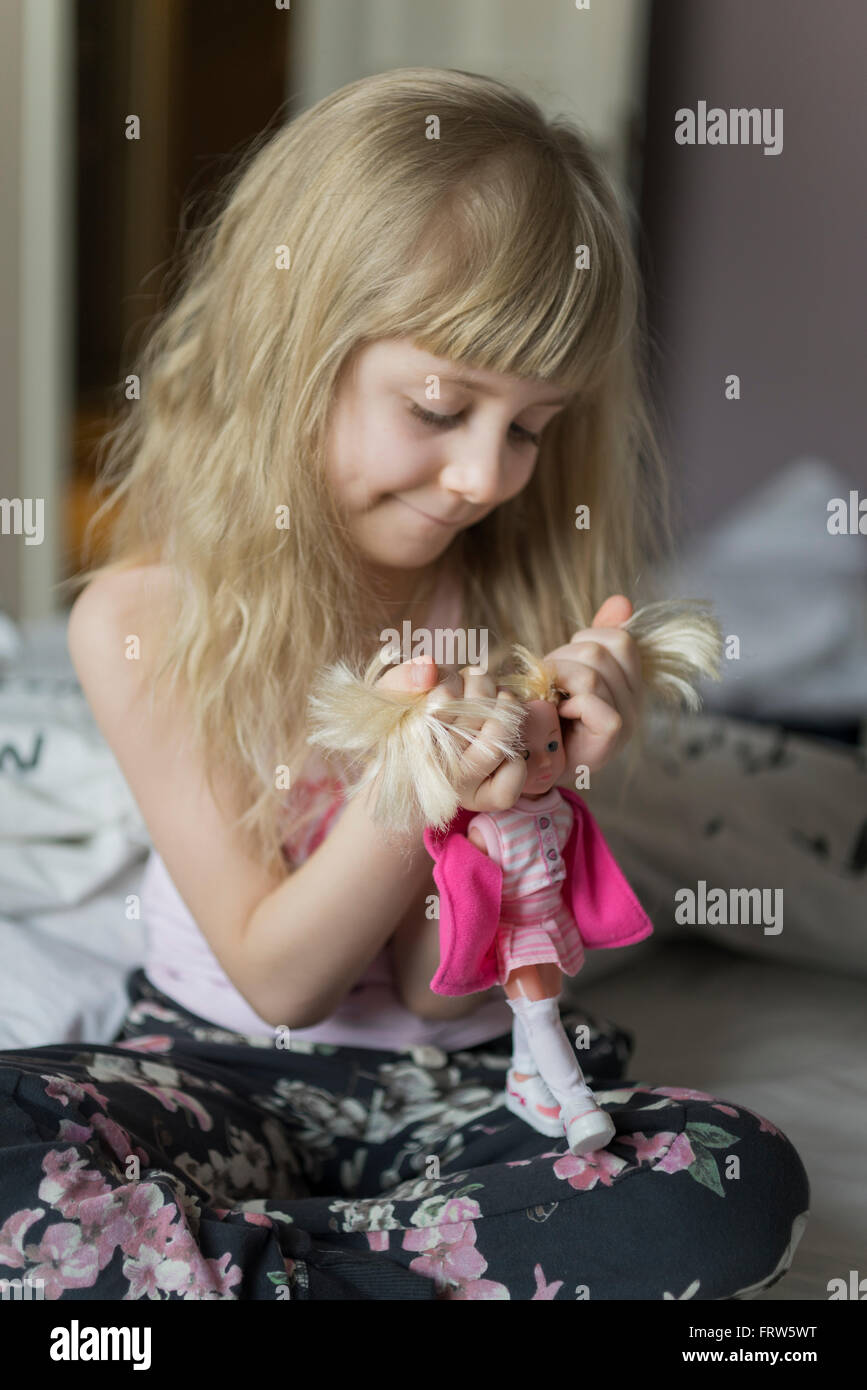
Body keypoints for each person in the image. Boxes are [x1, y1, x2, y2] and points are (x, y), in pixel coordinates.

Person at [0, 68, 808, 1300]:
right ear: (294, 356)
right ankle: (402, 1267)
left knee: (730, 1181)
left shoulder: (507, 617)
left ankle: (257, 1275)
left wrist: (522, 795)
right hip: (217, 1063)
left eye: (531, 427)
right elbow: (282, 977)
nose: (485, 474)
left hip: (460, 1089)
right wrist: (409, 784)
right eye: (440, 404)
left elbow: (441, 990)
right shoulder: (149, 623)